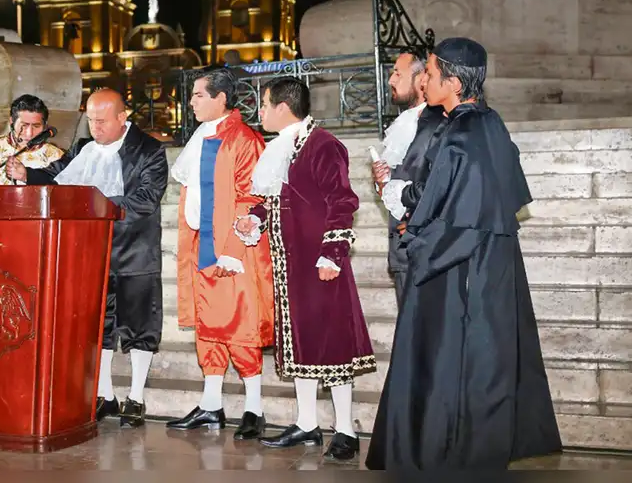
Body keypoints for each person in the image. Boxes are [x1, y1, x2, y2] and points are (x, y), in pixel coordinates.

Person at [365, 38, 562, 470]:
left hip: (459, 265)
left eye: (430, 74)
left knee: (450, 356)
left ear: (452, 83)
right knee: (484, 358)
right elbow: (462, 193)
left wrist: (404, 212)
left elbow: (441, 199)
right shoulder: (489, 123)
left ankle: (441, 448)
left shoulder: (459, 131)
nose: (424, 80)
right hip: (488, 259)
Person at [6, 89, 168, 428]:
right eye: (90, 120)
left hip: (135, 251)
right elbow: (57, 175)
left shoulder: (150, 151)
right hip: (91, 251)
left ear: (123, 117)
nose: (94, 127)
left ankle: (136, 397)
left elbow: (146, 200)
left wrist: (97, 205)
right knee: (99, 327)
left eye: (102, 121)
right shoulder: (82, 148)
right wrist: (27, 175)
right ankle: (105, 394)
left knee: (140, 325)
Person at [233, 78, 376, 462]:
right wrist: (255, 218)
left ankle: (345, 430)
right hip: (290, 265)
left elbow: (342, 201)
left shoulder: (323, 145)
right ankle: (307, 423)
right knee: (301, 342)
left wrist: (333, 252)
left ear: (283, 107)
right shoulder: (283, 147)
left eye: (264, 105)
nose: (259, 113)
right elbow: (280, 198)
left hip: (319, 264)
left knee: (331, 344)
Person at [166, 67, 274, 441]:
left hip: (234, 248)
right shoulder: (201, 135)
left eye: (198, 95)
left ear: (220, 98)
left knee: (238, 324)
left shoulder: (244, 139)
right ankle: (212, 405)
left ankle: (254, 408)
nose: (191, 101)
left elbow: (252, 197)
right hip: (201, 242)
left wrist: (230, 250)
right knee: (207, 324)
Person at [370, 47, 447, 311]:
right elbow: (399, 182)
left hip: (425, 249)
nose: (390, 80)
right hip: (403, 250)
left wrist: (417, 224)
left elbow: (440, 183)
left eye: (397, 73)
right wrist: (382, 181)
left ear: (420, 78)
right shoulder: (403, 122)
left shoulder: (440, 123)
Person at [0, 94, 65, 185]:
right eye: (24, 125)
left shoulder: (57, 156)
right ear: (12, 121)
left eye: (36, 126)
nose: (29, 133)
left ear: (45, 125)